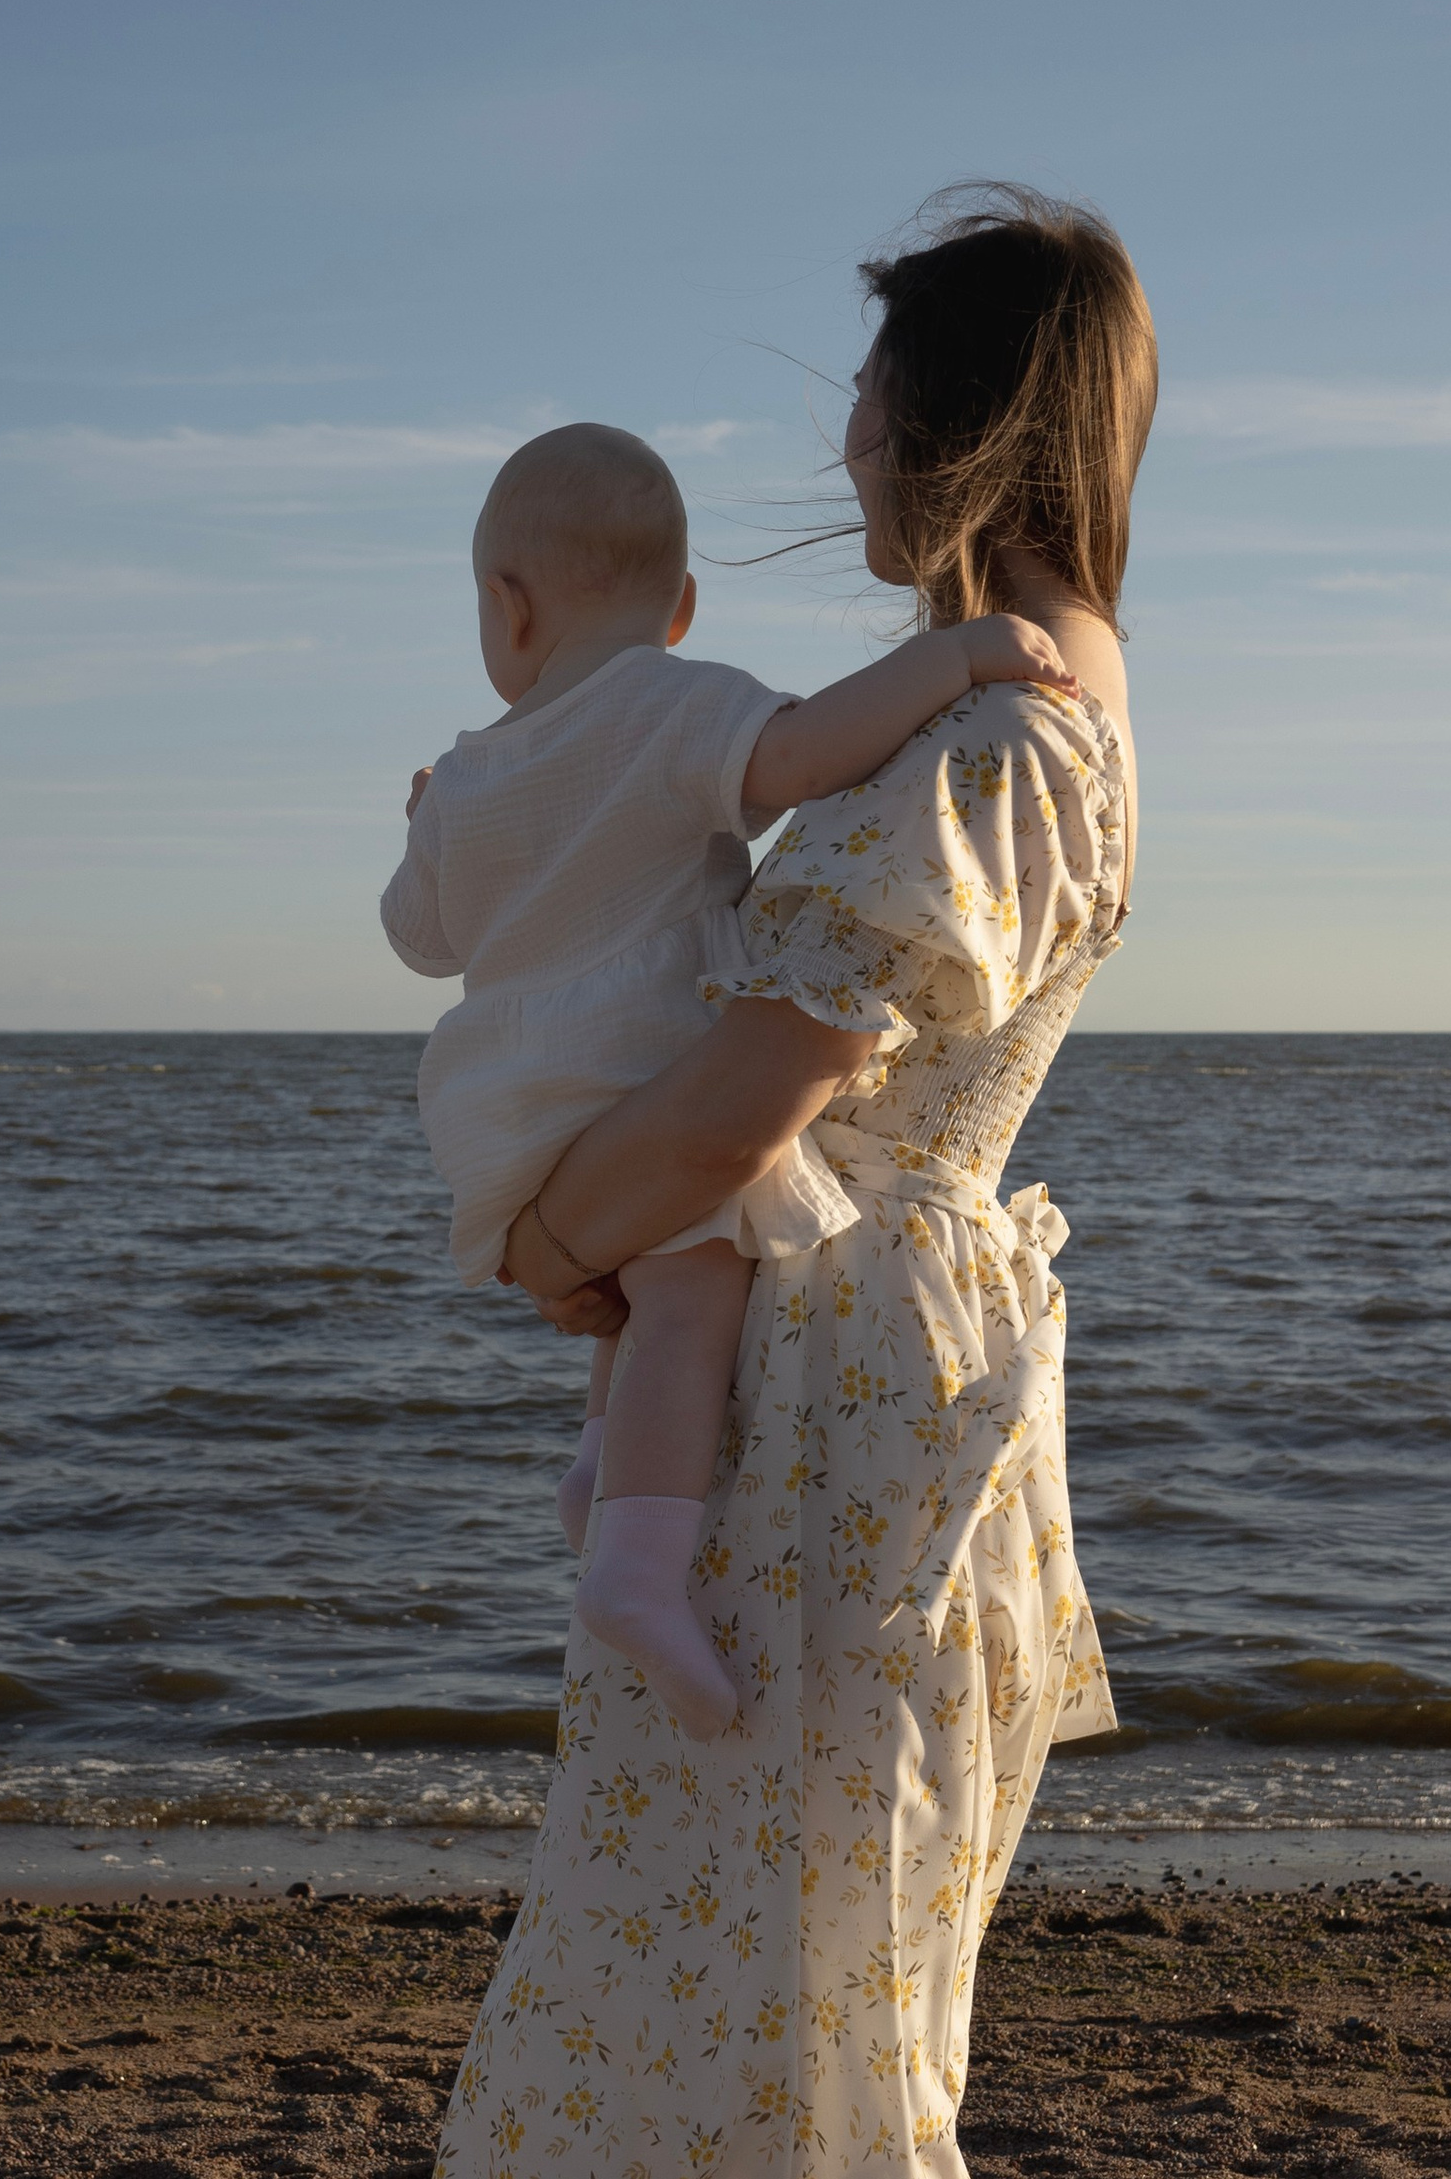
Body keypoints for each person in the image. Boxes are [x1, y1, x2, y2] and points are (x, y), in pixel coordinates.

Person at [313, 186, 1151, 2179]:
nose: (851, 452)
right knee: (752, 1983)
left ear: (963, 422)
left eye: (879, 407)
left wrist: (546, 1237)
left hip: (868, 1407)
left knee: (844, 2009)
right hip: (858, 1370)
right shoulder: (1031, 698)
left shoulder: (1002, 734)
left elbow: (741, 1092)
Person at [380, 418, 1074, 1739]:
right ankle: (639, 1565)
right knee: (692, 1285)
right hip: (633, 1071)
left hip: (498, 1109)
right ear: (683, 607)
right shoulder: (672, 702)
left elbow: (421, 939)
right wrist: (961, 652)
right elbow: (805, 755)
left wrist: (427, 827)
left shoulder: (467, 775)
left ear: (504, 608)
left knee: (636, 1299)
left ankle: (602, 1469)